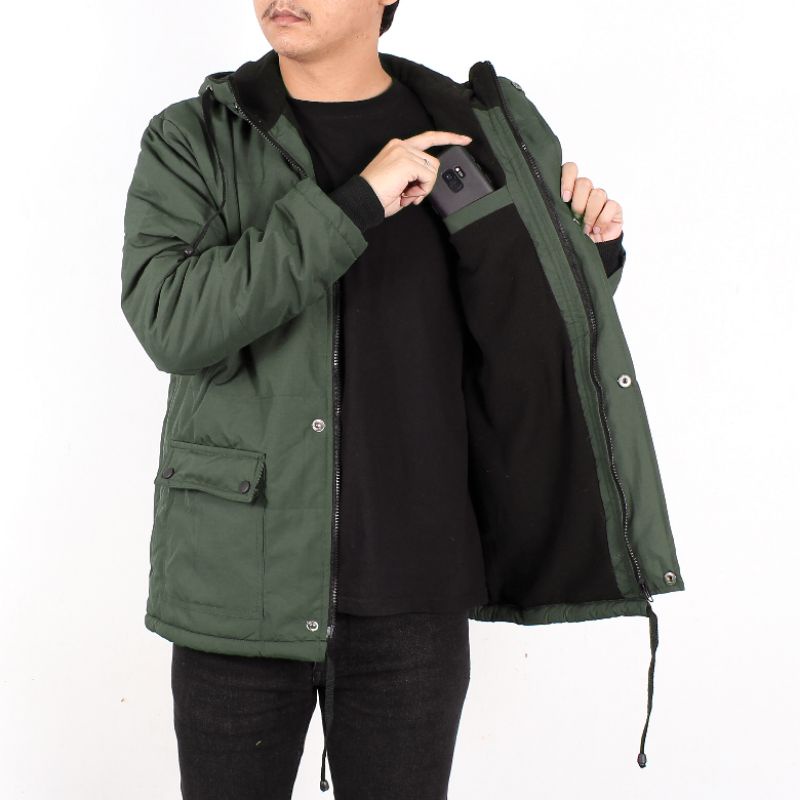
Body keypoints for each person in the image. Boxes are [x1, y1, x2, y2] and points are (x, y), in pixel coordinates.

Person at [121, 1, 684, 797]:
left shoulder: (469, 136)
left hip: (416, 589)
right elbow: (171, 322)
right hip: (240, 583)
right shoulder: (199, 137)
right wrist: (355, 203)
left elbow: (513, 326)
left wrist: (588, 257)